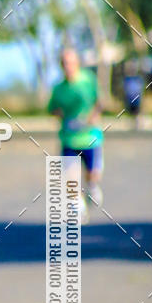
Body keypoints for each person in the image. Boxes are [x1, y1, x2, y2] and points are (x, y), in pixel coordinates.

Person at [48, 48, 103, 221]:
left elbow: (99, 102)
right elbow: (52, 109)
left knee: (92, 174)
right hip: (69, 139)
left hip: (90, 138)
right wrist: (62, 115)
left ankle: (92, 186)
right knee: (71, 178)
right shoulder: (58, 88)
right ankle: (79, 209)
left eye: (71, 63)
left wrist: (93, 116)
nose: (68, 67)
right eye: (64, 64)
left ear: (77, 63)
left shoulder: (88, 80)